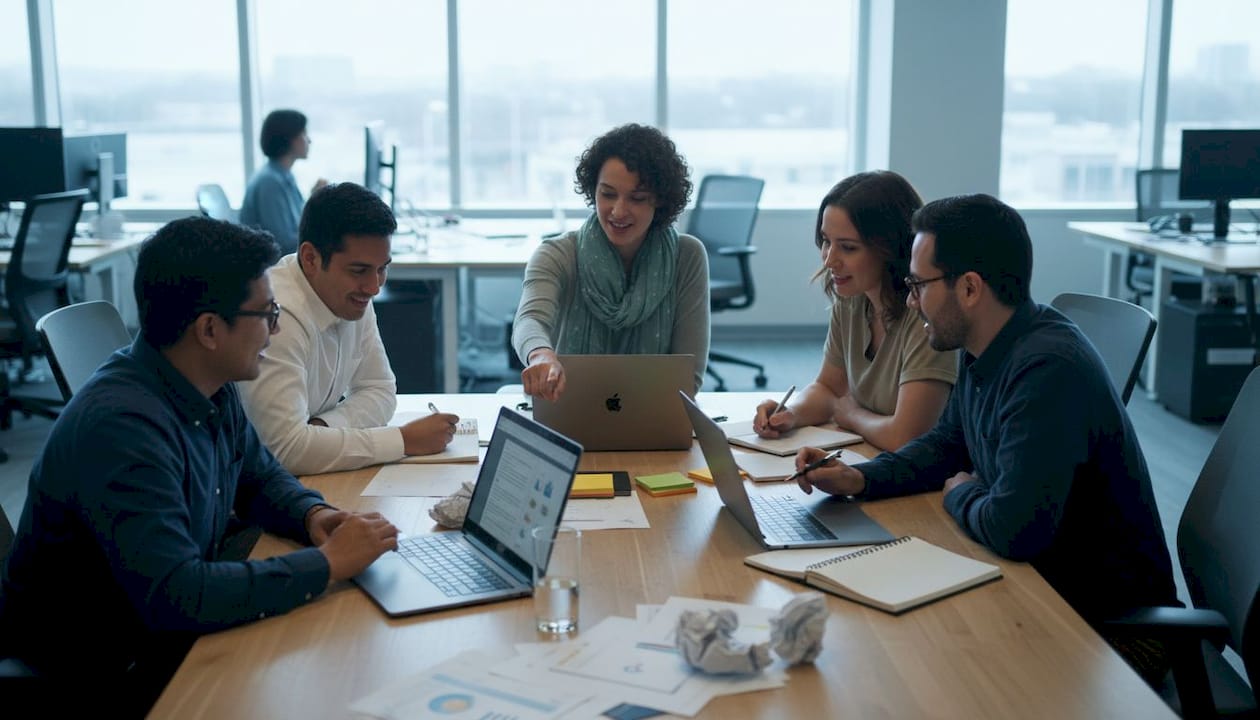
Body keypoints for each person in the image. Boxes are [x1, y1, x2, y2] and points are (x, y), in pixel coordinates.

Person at [0, 216, 398, 715]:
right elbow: (178, 594)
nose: (275, 327)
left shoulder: (204, 381)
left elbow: (257, 476)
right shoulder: (122, 429)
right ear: (210, 329)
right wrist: (328, 563)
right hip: (99, 672)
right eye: (266, 312)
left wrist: (313, 516)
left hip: (158, 632)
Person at [792, 193, 1178, 682]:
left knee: (916, 673)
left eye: (919, 285)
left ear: (970, 288)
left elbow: (1013, 529)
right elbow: (944, 447)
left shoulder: (1046, 371)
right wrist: (860, 479)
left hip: (1111, 629)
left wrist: (961, 492)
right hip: (1044, 587)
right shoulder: (987, 346)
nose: (911, 300)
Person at [238, 182, 457, 475]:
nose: (374, 287)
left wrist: (323, 429)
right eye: (359, 270)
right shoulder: (278, 315)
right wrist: (403, 440)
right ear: (310, 259)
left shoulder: (353, 294)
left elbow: (380, 390)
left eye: (382, 268)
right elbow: (285, 450)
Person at [752, 171, 957, 451]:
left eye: (847, 247)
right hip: (873, 457)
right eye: (826, 241)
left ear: (890, 248)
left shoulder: (927, 317)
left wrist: (851, 414)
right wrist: (790, 414)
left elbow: (906, 437)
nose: (829, 259)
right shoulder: (852, 299)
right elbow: (829, 389)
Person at [512, 123, 709, 400]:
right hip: (566, 411)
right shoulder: (556, 254)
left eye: (637, 198)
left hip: (652, 416)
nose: (618, 211)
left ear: (660, 201)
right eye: (607, 194)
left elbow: (688, 375)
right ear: (593, 191)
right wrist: (540, 355)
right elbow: (529, 320)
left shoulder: (687, 256)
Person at [240, 109, 328, 254]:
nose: (309, 140)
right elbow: (284, 243)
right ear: (288, 139)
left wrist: (314, 200)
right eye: (304, 134)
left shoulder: (282, 175)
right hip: (272, 266)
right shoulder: (270, 183)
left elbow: (296, 224)